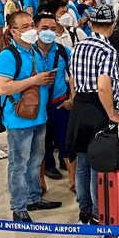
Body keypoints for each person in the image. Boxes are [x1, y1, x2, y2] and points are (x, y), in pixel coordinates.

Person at [0, 11, 61, 223]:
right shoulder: (8, 56)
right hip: (18, 119)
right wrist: (35, 80)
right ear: (13, 32)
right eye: (24, 27)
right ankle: (19, 206)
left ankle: (34, 197)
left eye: (32, 25)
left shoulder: (35, 51)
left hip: (39, 117)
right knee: (19, 164)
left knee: (35, 161)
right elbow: (2, 87)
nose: (31, 30)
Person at [66, 5, 119, 224]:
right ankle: (99, 213)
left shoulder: (78, 46)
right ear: (113, 25)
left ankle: (85, 210)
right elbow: (103, 87)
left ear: (90, 24)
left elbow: (71, 77)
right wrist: (112, 114)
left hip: (80, 106)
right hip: (98, 108)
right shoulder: (107, 50)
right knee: (97, 164)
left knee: (82, 162)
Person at [35, 12, 74, 190]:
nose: (49, 32)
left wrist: (72, 98)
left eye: (52, 28)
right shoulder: (29, 51)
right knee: (40, 146)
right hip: (37, 106)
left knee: (67, 144)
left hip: (59, 104)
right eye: (44, 28)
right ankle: (41, 182)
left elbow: (72, 76)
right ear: (36, 29)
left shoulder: (63, 51)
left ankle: (73, 181)